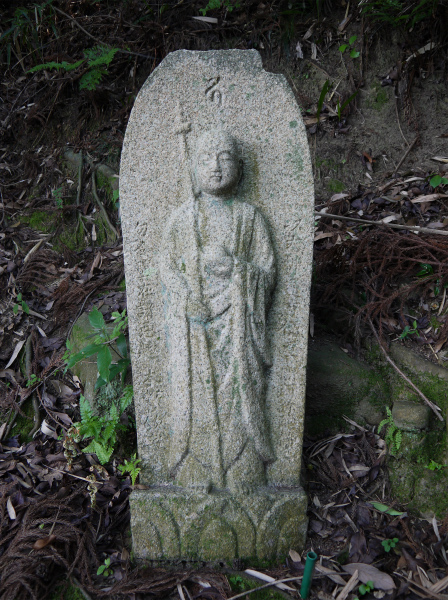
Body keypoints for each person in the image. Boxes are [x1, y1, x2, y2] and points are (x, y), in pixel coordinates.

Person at [160, 128, 276, 493]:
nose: (216, 166)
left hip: (238, 324)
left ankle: (244, 464)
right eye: (206, 159)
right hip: (195, 326)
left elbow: (267, 272)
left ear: (240, 166)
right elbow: (167, 269)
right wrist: (185, 297)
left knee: (240, 390)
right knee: (194, 390)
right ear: (193, 167)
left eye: (225, 158)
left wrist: (237, 270)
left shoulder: (250, 218)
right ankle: (194, 464)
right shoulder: (182, 219)